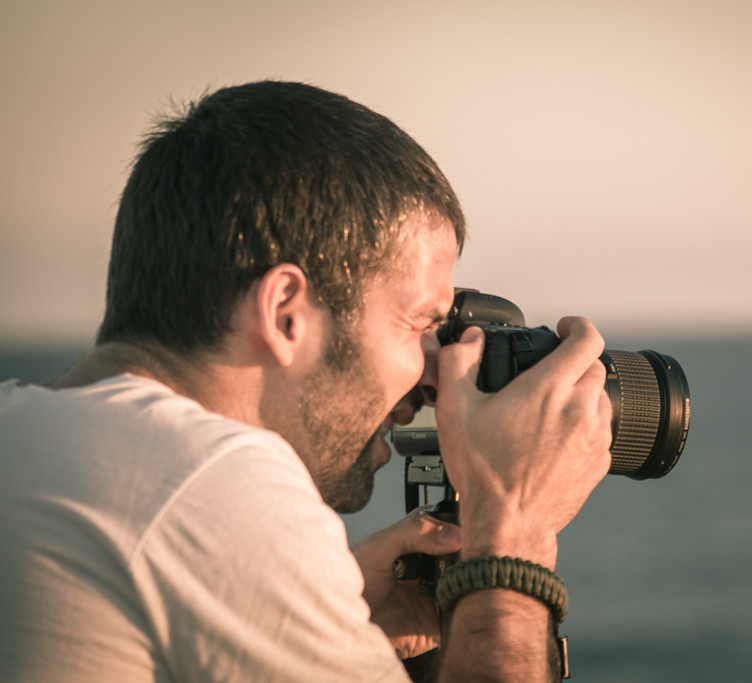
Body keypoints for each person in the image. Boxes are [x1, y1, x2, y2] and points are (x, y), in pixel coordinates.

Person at [0, 80, 612, 682]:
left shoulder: (29, 437)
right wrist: (512, 525)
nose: (435, 375)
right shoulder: (215, 485)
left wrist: (342, 627)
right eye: (418, 324)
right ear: (287, 313)